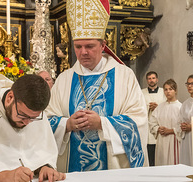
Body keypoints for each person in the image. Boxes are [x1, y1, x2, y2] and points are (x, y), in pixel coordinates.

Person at [46, 0, 148, 173]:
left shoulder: (124, 75)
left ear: (103, 45)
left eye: (90, 46)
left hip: (114, 171)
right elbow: (46, 120)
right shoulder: (64, 79)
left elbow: (139, 120)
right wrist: (67, 125)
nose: (83, 52)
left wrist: (102, 123)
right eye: (78, 46)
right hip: (71, 170)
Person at [149, 79, 181, 166]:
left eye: (170, 89)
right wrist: (158, 128)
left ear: (175, 91)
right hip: (161, 141)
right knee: (161, 163)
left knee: (173, 165)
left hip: (174, 140)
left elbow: (183, 127)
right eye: (165, 89)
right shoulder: (160, 107)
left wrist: (170, 131)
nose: (168, 92)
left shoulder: (180, 107)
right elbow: (152, 122)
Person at [141, 71, 166, 166]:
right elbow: (138, 107)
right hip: (147, 127)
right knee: (149, 155)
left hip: (160, 126)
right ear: (147, 80)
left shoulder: (163, 91)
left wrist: (158, 107)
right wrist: (148, 107)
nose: (151, 80)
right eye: (149, 78)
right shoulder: (141, 92)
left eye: (153, 78)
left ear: (157, 79)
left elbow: (167, 106)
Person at [178, 74, 193, 166]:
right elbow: (179, 120)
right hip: (187, 139)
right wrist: (182, 126)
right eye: (188, 84)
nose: (189, 86)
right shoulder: (185, 103)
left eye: (192, 83)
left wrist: (191, 126)